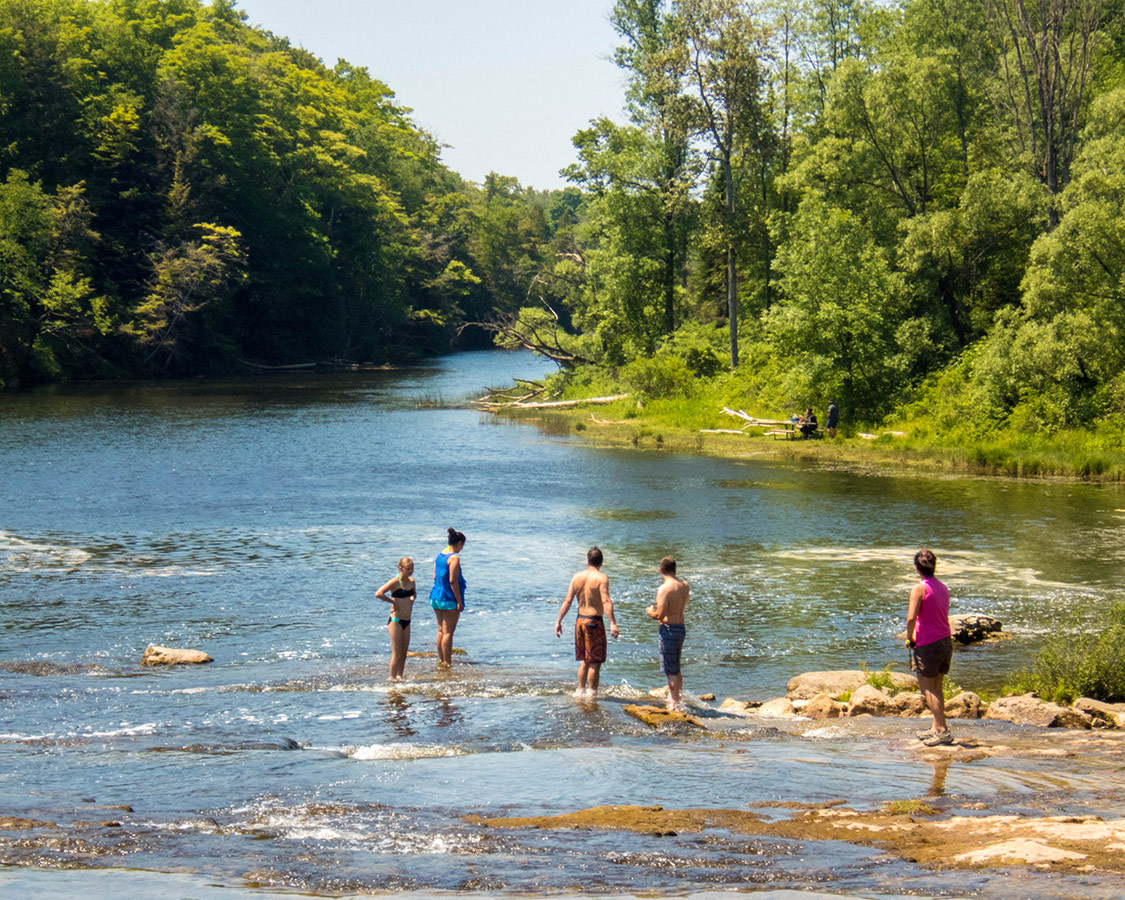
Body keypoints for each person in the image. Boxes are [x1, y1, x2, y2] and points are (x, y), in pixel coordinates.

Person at [905, 548, 954, 746]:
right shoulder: (942, 587)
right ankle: (935, 727)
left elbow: (911, 618)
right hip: (945, 641)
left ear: (917, 568)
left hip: (928, 643)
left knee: (927, 689)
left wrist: (909, 638)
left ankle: (942, 730)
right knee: (937, 686)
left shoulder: (919, 588)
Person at [555, 546, 618, 697]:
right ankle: (592, 695)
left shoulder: (577, 577)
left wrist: (558, 621)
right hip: (594, 622)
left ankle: (580, 691)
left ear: (588, 561)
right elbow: (606, 601)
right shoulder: (602, 578)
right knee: (595, 662)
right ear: (601, 562)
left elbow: (568, 600)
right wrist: (612, 623)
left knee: (585, 660)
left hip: (580, 621)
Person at [645, 557, 690, 710]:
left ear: (661, 570)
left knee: (670, 670)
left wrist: (650, 612)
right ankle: (678, 698)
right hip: (681, 627)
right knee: (676, 667)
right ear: (675, 569)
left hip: (669, 629)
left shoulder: (665, 588)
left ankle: (674, 704)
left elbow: (660, 615)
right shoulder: (685, 586)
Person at [429, 527, 466, 667]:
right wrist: (459, 601)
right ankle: (447, 662)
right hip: (448, 598)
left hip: (436, 596)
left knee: (440, 630)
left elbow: (434, 576)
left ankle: (441, 660)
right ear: (460, 543)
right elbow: (453, 581)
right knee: (448, 632)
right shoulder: (454, 558)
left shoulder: (440, 555)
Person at [376, 557, 416, 681]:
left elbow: (414, 593)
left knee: (404, 653)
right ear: (400, 568)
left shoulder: (412, 581)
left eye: (412, 569)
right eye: (408, 569)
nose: (410, 571)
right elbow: (379, 593)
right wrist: (392, 601)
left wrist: (412, 599)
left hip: (407, 620)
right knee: (397, 653)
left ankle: (400, 677)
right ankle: (391, 677)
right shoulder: (395, 582)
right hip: (396, 621)